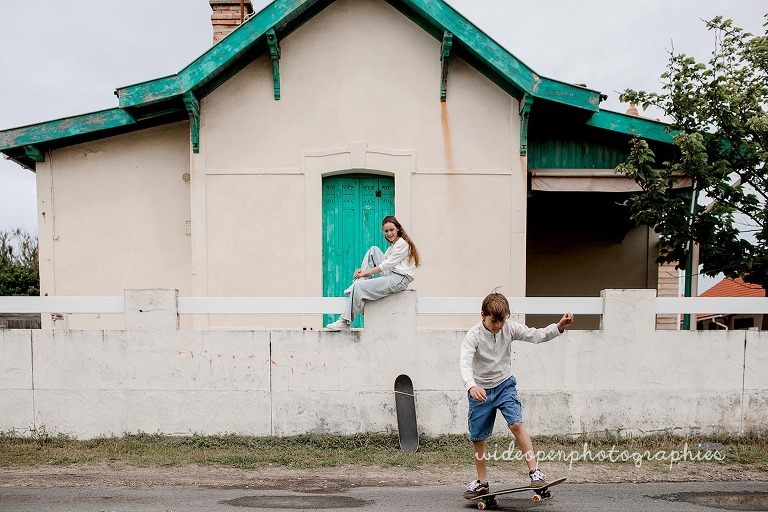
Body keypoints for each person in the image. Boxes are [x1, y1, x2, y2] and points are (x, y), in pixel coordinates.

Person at [460, 291, 574, 498]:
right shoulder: (473, 336)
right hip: (480, 391)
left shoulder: (509, 328)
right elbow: (465, 362)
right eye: (494, 321)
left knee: (516, 424)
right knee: (478, 437)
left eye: (502, 321)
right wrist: (471, 385)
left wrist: (558, 327)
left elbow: (536, 335)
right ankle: (482, 483)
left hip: (505, 385)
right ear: (482, 315)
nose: (498, 326)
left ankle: (535, 473)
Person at [325, 216, 421, 331]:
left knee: (358, 287)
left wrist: (364, 273)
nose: (389, 233)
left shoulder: (402, 244)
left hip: (399, 279)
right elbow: (381, 262)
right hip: (392, 275)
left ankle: (345, 322)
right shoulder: (393, 246)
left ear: (398, 229)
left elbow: (384, 266)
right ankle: (360, 281)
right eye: (386, 231)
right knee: (373, 250)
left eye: (392, 230)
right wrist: (363, 273)